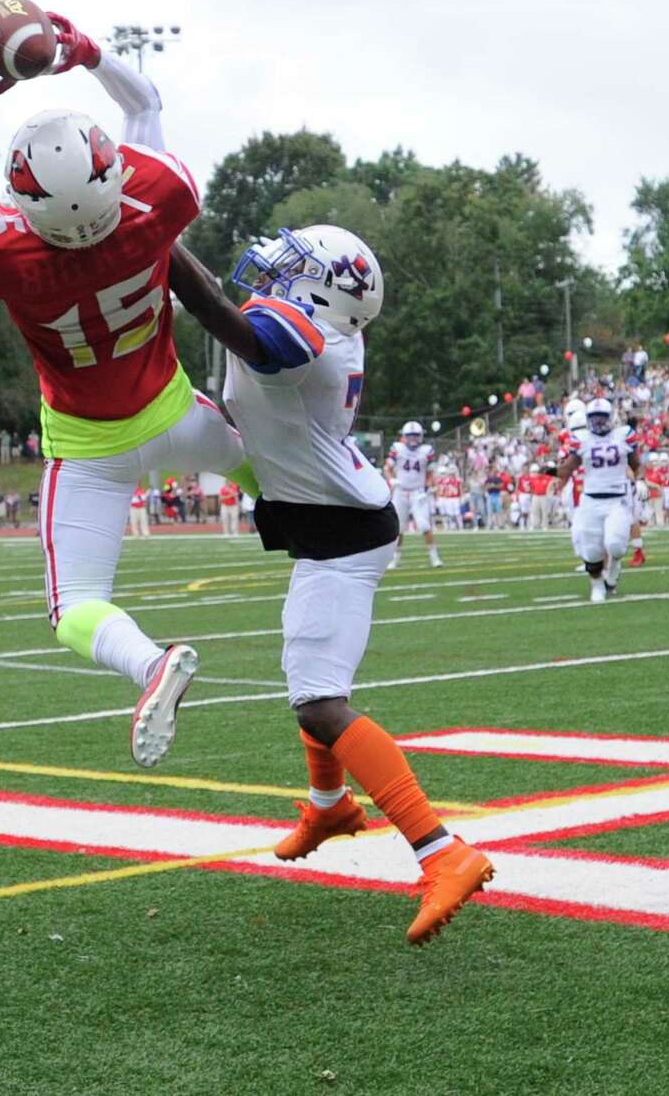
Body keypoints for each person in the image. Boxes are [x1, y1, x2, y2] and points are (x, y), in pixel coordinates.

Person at [0, 7, 249, 768]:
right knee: (260, 463)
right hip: (178, 416)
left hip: (89, 451)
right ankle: (342, 512)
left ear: (21, 204)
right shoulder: (158, 199)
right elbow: (145, 104)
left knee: (75, 611)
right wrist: (91, 53)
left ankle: (151, 665)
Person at [169, 227, 493, 945]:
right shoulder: (316, 323)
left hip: (345, 535)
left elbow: (219, 314)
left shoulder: (305, 333)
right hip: (334, 524)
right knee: (306, 679)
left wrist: (155, 246)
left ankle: (444, 853)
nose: (274, 272)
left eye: (294, 267)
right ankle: (329, 806)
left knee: (319, 702)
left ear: (323, 288)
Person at [556, 398, 641, 602]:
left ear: (611, 418)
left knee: (616, 546)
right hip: (591, 500)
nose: (599, 423)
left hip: (617, 499)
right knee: (592, 550)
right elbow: (568, 468)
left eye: (602, 418)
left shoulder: (623, 436)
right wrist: (548, 472)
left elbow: (637, 463)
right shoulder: (582, 438)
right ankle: (597, 585)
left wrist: (642, 480)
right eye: (595, 419)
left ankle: (613, 568)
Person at [384, 422, 442, 568]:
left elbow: (430, 473)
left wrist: (427, 487)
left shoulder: (427, 450)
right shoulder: (397, 448)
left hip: (418, 492)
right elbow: (387, 468)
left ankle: (434, 557)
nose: (413, 439)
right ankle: (396, 558)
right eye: (410, 436)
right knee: (398, 527)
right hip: (400, 491)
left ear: (420, 436)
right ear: (404, 436)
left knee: (424, 525)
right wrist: (392, 480)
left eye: (415, 435)